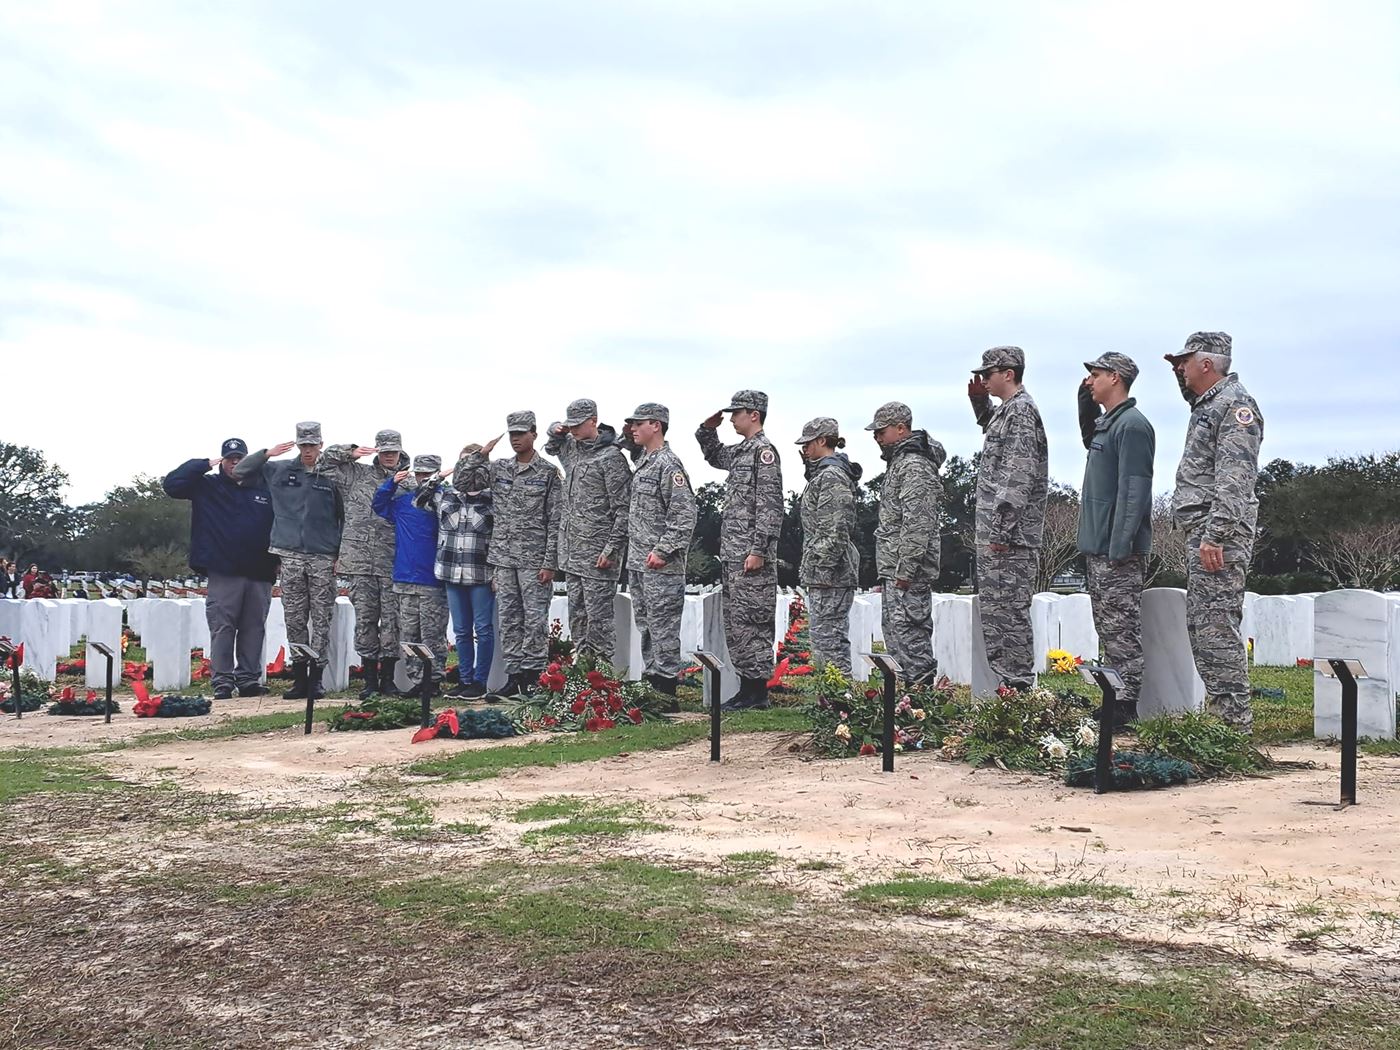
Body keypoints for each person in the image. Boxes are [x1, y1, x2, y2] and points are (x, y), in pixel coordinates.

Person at [1167, 331, 1264, 732]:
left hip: (1218, 534)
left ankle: (1232, 724)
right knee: (1202, 625)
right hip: (1204, 530)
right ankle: (1220, 717)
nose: (1182, 369)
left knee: (1215, 626)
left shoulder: (1235, 405)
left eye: (1187, 362)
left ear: (1206, 364)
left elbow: (1235, 478)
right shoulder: (1210, 403)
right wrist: (1178, 372)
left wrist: (1216, 534)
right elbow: (1192, 395)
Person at [234, 422, 344, 701]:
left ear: (321, 444)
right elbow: (240, 471)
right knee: (294, 618)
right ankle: (299, 677)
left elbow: (344, 516)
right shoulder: (280, 470)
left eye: (312, 445)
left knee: (321, 619)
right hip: (290, 553)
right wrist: (266, 453)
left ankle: (316, 678)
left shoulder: (332, 475)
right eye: (303, 445)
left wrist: (340, 553)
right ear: (298, 445)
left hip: (323, 554)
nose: (308, 450)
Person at [162, 437, 279, 700]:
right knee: (223, 627)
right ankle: (223, 681)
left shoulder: (265, 488)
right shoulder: (207, 486)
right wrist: (202, 464)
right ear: (222, 461)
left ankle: (249, 679)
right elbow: (171, 485)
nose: (235, 464)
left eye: (240, 459)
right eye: (229, 459)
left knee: (254, 628)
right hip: (224, 570)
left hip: (260, 569)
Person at [1076, 353, 1155, 728]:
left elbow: (1134, 490)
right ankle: (1114, 696)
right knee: (1107, 626)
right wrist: (1083, 400)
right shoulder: (1110, 424)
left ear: (1115, 377)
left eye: (1095, 375)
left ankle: (1126, 703)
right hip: (1100, 544)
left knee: (1121, 627)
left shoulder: (1133, 426)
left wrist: (1121, 545)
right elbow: (1088, 435)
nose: (1090, 381)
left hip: (1115, 548)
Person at [696, 390, 784, 709]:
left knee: (753, 622)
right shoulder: (742, 452)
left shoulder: (764, 452)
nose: (732, 418)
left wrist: (759, 549)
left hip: (751, 556)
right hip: (734, 556)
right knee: (737, 625)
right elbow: (714, 455)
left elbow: (771, 506)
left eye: (737, 413)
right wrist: (707, 430)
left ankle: (757, 692)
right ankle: (748, 689)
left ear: (754, 415)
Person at [967, 347, 1048, 691]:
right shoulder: (1007, 411)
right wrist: (978, 404)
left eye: (988, 374)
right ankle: (1009, 687)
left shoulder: (1022, 411)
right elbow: (992, 428)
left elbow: (1018, 473)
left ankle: (1018, 690)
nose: (983, 380)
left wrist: (1001, 528)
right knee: (997, 615)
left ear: (1009, 374)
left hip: (1009, 538)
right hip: (999, 536)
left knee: (1008, 617)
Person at [474, 411, 561, 696]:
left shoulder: (547, 473)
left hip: (534, 561)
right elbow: (465, 482)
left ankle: (534, 677)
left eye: (521, 433)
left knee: (535, 620)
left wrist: (550, 562)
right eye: (511, 434)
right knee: (509, 619)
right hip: (503, 559)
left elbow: (555, 520)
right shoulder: (498, 468)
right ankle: (513, 677)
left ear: (534, 434)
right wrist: (479, 456)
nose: (515, 439)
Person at [545, 399, 631, 663]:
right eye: (570, 426)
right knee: (578, 617)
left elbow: (623, 510)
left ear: (594, 420)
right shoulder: (572, 448)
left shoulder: (612, 457)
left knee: (599, 622)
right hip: (572, 554)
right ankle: (583, 672)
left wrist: (612, 549)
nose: (573, 431)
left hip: (598, 556)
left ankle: (603, 678)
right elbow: (551, 446)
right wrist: (555, 429)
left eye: (578, 425)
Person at [321, 430, 404, 699]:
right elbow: (324, 464)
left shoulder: (408, 482)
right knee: (366, 621)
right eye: (385, 451)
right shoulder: (356, 474)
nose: (390, 456)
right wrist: (351, 451)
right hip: (360, 561)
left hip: (393, 563)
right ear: (377, 451)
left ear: (401, 452)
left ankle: (388, 679)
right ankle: (369, 681)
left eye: (394, 451)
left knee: (392, 623)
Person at [866, 401, 946, 684]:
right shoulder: (900, 463)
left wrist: (906, 570)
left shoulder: (914, 465)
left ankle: (921, 700)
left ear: (901, 429)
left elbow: (918, 523)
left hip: (908, 572)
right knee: (897, 635)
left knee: (911, 636)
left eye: (882, 431)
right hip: (895, 569)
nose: (877, 438)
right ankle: (904, 701)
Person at [622, 403, 697, 698]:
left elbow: (684, 515)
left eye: (638, 423)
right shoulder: (644, 462)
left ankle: (666, 690)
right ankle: (652, 683)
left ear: (656, 425)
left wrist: (663, 550)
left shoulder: (669, 464)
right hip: (640, 562)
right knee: (647, 626)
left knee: (663, 628)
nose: (632, 429)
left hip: (661, 566)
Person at [417, 442, 496, 700]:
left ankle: (479, 681)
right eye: (464, 463)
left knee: (482, 629)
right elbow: (419, 499)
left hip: (480, 573)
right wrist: (440, 476)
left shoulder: (492, 498)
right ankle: (463, 680)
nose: (468, 469)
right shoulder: (446, 495)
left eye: (474, 463)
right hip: (451, 572)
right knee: (461, 631)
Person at [374, 455, 449, 692]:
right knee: (408, 634)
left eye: (428, 474)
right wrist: (392, 482)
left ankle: (433, 680)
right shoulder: (404, 502)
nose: (423, 478)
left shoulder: (445, 502)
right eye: (419, 474)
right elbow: (378, 504)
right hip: (405, 579)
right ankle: (417, 679)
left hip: (432, 580)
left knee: (432, 634)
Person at [796, 418, 862, 674]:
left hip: (831, 575)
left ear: (822, 441)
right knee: (824, 641)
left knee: (830, 643)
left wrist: (821, 569)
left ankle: (839, 702)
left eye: (808, 443)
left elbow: (836, 530)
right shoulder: (824, 474)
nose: (804, 449)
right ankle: (832, 701)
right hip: (826, 574)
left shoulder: (832, 476)